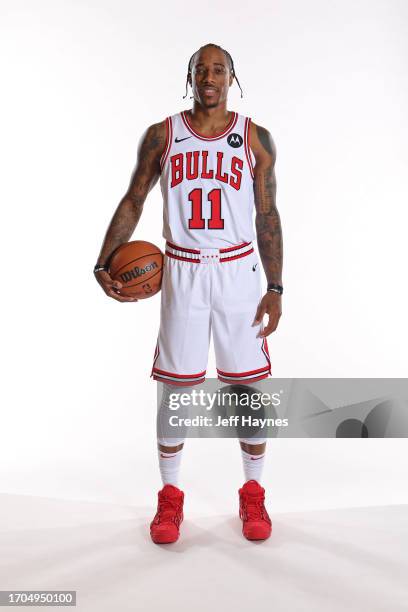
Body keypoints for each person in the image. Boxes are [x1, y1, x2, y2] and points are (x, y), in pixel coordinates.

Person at [94, 43, 283, 544]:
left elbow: (267, 214)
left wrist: (276, 285)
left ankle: (253, 493)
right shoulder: (163, 135)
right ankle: (171, 499)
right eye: (201, 69)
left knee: (246, 388)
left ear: (231, 78)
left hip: (239, 271)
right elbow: (134, 198)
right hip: (182, 270)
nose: (209, 76)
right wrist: (103, 258)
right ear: (190, 76)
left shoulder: (254, 138)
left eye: (218, 69)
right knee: (176, 390)